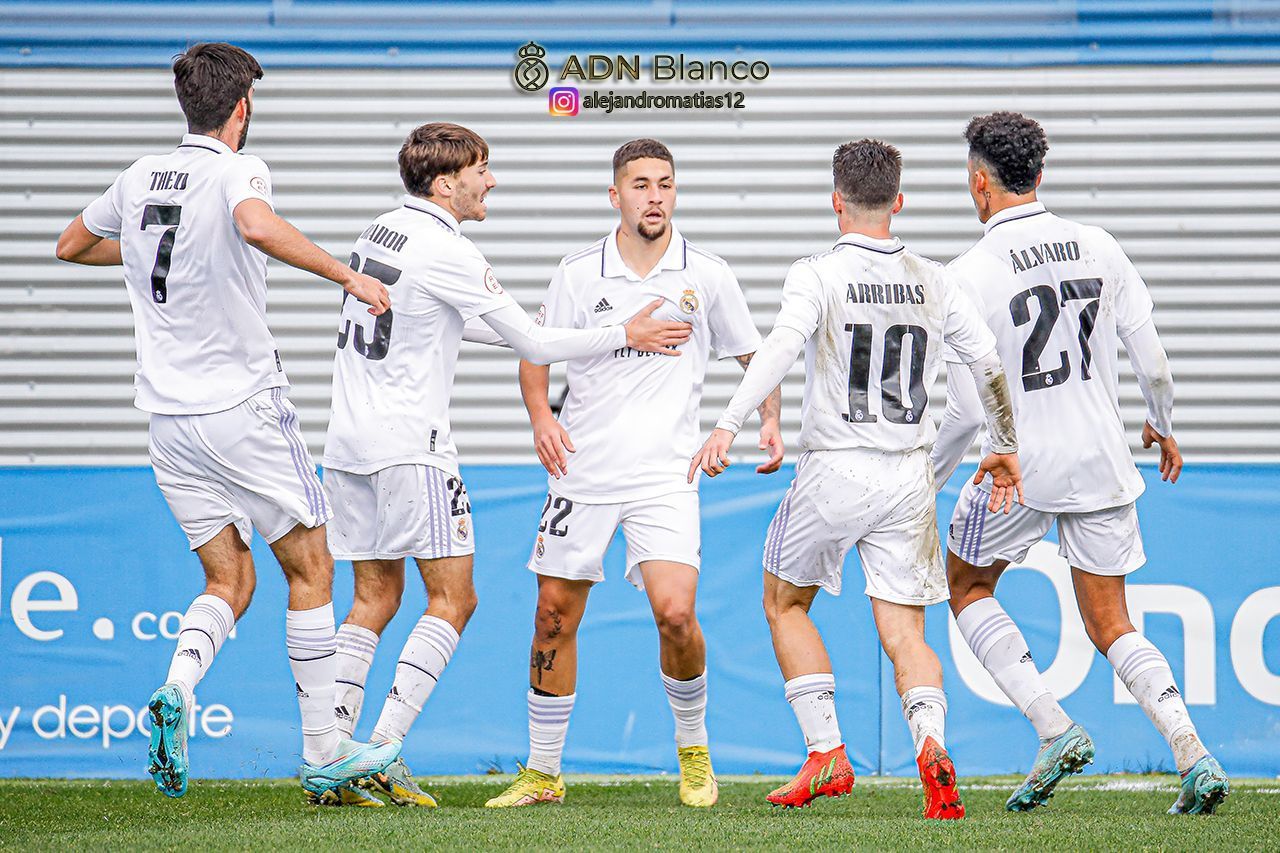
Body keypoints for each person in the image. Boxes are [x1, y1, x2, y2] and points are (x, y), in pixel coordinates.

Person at [53, 42, 400, 799]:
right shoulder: (239, 169)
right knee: (310, 566)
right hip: (242, 407)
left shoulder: (139, 175)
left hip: (167, 422)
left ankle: (177, 687)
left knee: (228, 576)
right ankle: (324, 751)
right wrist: (347, 275)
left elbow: (71, 244)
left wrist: (155, 253)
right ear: (241, 107)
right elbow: (255, 225)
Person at [323, 122, 693, 807]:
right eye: (481, 171)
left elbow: (471, 323)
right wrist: (625, 332)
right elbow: (532, 343)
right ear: (445, 184)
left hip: (346, 442)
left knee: (373, 598)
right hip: (411, 446)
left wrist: (548, 329)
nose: (490, 181)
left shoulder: (381, 230)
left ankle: (329, 754)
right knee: (454, 598)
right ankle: (381, 751)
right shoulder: (449, 247)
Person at [691, 139, 1022, 820]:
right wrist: (1006, 444)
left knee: (784, 602)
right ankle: (930, 744)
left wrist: (727, 422)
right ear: (898, 201)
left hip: (836, 466)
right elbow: (988, 363)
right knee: (906, 633)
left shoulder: (817, 273)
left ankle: (826, 752)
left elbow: (781, 347)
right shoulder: (935, 278)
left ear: (835, 201)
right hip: (909, 475)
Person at [931, 111, 1230, 815]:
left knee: (966, 585)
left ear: (979, 183)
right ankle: (1193, 751)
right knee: (1112, 622)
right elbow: (1155, 365)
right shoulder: (1098, 244)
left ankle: (1053, 726)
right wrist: (1162, 426)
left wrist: (923, 483)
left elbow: (967, 412)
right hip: (1099, 457)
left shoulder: (965, 275)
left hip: (1019, 470)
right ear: (1040, 173)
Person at [485, 138, 782, 809]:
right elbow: (534, 355)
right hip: (582, 472)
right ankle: (543, 772)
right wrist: (541, 417)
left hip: (665, 476)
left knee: (676, 613)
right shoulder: (577, 273)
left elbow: (756, 357)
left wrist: (766, 419)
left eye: (665, 184)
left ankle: (694, 753)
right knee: (552, 616)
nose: (654, 196)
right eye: (641, 184)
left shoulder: (706, 274)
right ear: (615, 194)